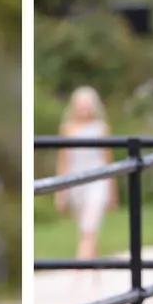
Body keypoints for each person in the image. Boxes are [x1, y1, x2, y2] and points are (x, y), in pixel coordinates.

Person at [54, 86, 115, 283]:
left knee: (88, 229)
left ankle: (76, 276)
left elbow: (108, 159)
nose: (84, 110)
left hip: (97, 181)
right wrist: (60, 191)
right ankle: (97, 276)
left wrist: (112, 190)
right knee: (88, 228)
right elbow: (63, 160)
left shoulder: (101, 128)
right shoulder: (67, 128)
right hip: (76, 183)